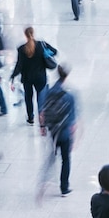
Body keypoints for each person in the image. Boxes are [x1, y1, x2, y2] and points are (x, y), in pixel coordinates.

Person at [39, 64, 77, 197]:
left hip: (53, 130)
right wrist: (73, 137)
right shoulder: (69, 95)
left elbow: (42, 111)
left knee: (52, 156)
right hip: (65, 132)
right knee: (66, 159)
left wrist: (42, 127)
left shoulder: (49, 90)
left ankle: (44, 180)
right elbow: (72, 121)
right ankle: (64, 187)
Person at [11, 27, 57, 125]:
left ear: (25, 35)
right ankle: (41, 116)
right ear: (33, 33)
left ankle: (30, 117)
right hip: (40, 77)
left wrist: (13, 76)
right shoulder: (41, 45)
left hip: (27, 78)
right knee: (41, 97)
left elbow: (19, 65)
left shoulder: (21, 49)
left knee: (28, 97)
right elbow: (54, 51)